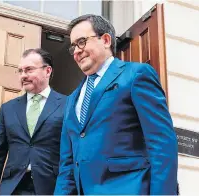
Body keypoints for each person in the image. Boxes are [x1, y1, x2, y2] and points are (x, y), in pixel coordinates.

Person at [54, 14, 178, 195]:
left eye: (81, 42)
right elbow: (67, 164)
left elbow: (162, 144)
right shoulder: (72, 99)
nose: (76, 51)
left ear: (105, 40)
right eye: (73, 47)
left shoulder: (136, 75)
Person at [0, 48, 66, 195]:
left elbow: (71, 154)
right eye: (20, 71)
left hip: (50, 189)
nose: (23, 76)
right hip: (13, 188)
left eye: (29, 70)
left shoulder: (68, 104)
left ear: (47, 71)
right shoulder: (8, 109)